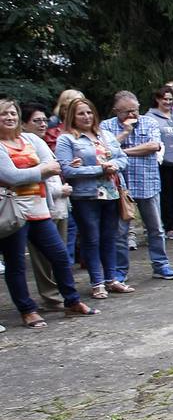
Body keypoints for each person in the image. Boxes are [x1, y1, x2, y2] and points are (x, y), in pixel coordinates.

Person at [1, 98, 97, 326]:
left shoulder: (31, 139)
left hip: (38, 207)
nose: (10, 117)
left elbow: (53, 166)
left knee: (60, 256)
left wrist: (30, 172)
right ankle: (28, 310)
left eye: (13, 113)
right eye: (4, 114)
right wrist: (39, 171)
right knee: (16, 265)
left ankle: (72, 302)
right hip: (14, 211)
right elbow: (11, 176)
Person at [102, 91, 173, 283]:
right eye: (126, 112)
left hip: (147, 182)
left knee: (156, 229)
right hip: (120, 187)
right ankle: (120, 271)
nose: (131, 115)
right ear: (115, 111)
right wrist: (126, 133)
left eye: (134, 110)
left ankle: (161, 265)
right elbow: (105, 152)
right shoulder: (106, 126)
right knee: (120, 232)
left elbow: (153, 146)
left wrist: (120, 152)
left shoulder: (149, 122)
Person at [55, 98, 126, 299]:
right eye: (81, 114)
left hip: (111, 193)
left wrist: (115, 166)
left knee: (110, 237)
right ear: (72, 117)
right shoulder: (67, 139)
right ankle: (97, 282)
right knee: (91, 239)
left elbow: (122, 158)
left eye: (89, 112)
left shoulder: (105, 135)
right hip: (85, 196)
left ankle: (112, 279)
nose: (86, 117)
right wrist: (99, 168)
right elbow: (66, 169)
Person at [19, 104, 74, 309]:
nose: (43, 124)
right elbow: (25, 180)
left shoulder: (41, 144)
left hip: (58, 204)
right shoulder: (22, 148)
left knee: (60, 253)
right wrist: (59, 191)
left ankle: (63, 293)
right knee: (42, 257)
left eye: (44, 120)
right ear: (23, 124)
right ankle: (50, 296)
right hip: (36, 207)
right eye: (36, 121)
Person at [146, 86, 173, 240]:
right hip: (163, 162)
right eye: (164, 99)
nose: (167, 102)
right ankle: (169, 226)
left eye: (170, 99)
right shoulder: (150, 117)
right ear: (158, 99)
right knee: (166, 194)